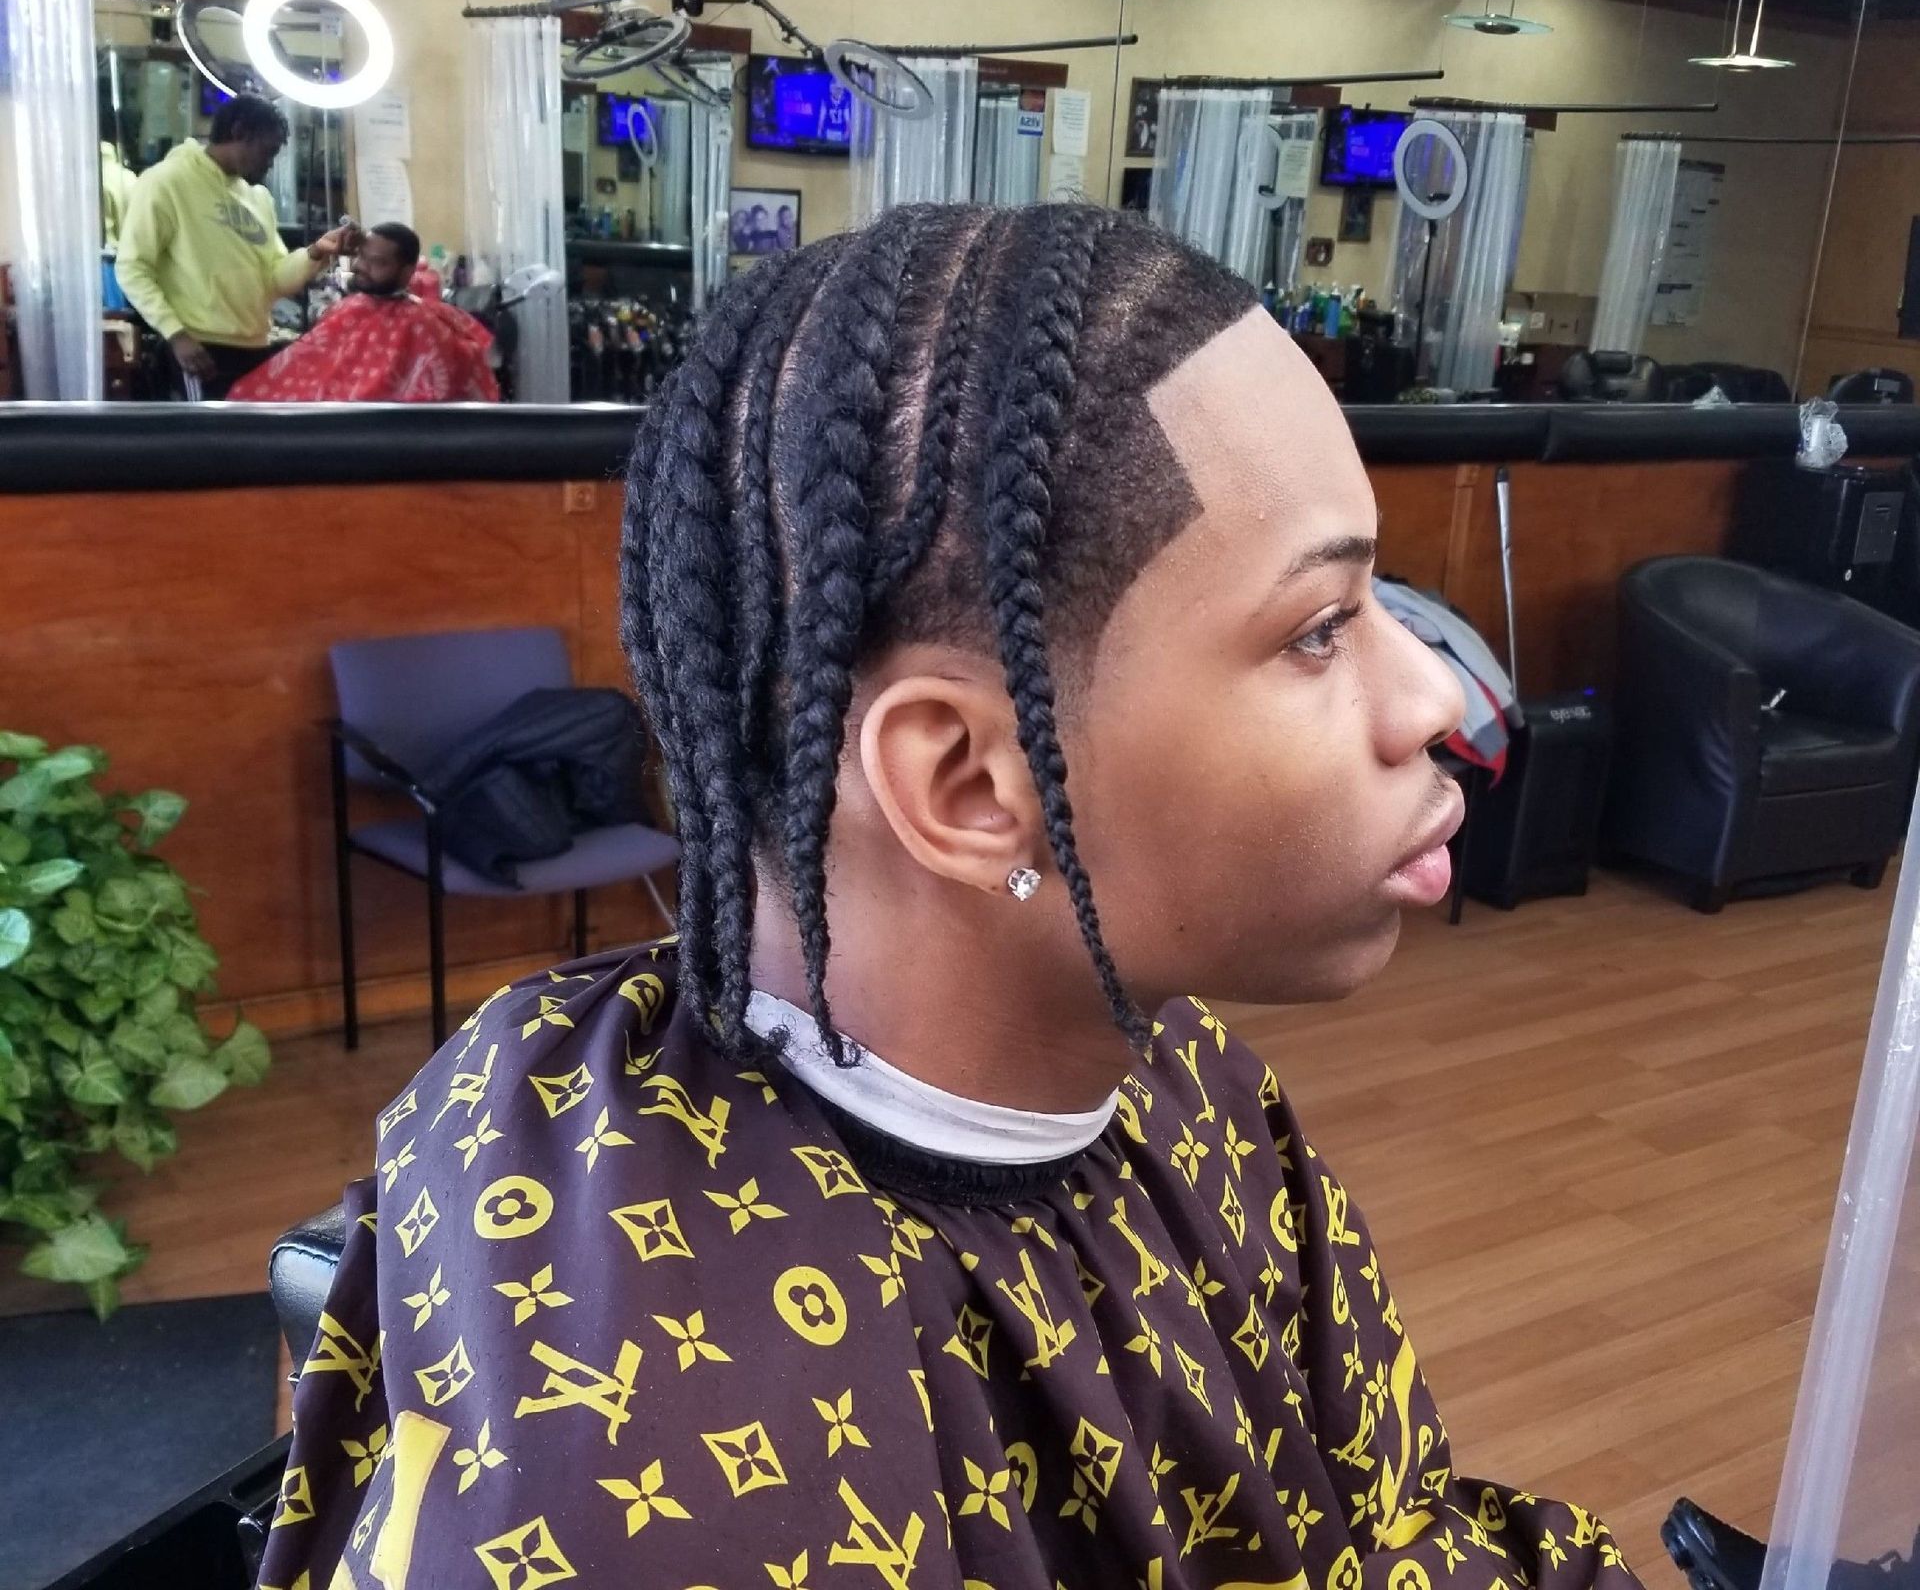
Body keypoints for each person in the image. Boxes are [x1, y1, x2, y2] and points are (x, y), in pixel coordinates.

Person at [257, 205, 1644, 1590]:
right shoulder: (638, 1468)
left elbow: (1377, 1528)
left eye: (1379, 596)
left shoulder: (1188, 1075)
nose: (1441, 698)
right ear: (972, 785)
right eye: (1321, 628)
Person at [114, 93, 355, 399]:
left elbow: (275, 279)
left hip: (255, 347)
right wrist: (176, 334)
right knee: (211, 445)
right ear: (239, 132)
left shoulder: (257, 199)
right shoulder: (166, 182)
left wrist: (317, 252)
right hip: (201, 348)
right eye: (266, 151)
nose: (269, 164)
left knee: (251, 445)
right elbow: (132, 268)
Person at [227, 223, 499, 404]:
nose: (360, 266)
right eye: (361, 256)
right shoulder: (348, 308)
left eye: (376, 262)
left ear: (406, 271)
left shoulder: (425, 322)